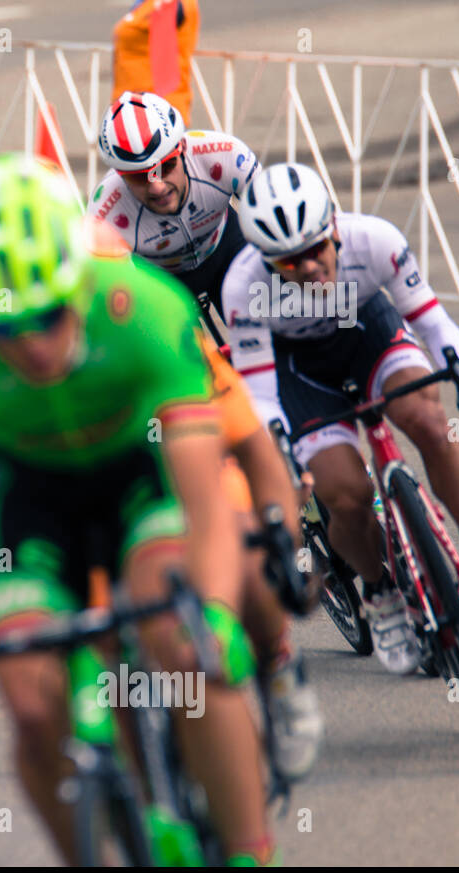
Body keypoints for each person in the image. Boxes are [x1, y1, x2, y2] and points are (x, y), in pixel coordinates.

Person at [0, 154, 277, 865]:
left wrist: (218, 615)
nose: (33, 346)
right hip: (33, 502)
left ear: (79, 282)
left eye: (47, 315)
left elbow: (204, 507)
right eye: (4, 329)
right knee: (32, 703)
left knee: (183, 641)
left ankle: (254, 853)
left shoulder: (145, 309)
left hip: (140, 473)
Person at [223, 161, 459, 674]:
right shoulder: (242, 286)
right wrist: (280, 450)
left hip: (369, 336)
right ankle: (379, 595)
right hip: (301, 371)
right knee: (344, 494)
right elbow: (258, 391)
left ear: (333, 228)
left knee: (426, 418)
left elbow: (435, 326)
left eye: (314, 250)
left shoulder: (375, 240)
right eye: (288, 263)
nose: (307, 268)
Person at [85, 220, 322, 781]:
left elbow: (248, 447)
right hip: (106, 483)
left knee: (250, 563)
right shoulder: (23, 356)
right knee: (100, 643)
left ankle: (278, 663)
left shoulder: (163, 326)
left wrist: (283, 544)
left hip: (199, 459)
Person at [92, 90, 257, 320]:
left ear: (182, 148)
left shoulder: (224, 155)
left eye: (166, 166)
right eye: (140, 177)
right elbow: (111, 300)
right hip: (160, 280)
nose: (157, 187)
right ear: (121, 176)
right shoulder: (105, 212)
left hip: (225, 248)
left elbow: (280, 224)